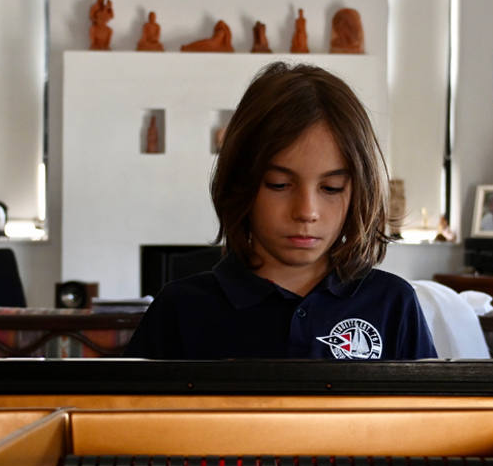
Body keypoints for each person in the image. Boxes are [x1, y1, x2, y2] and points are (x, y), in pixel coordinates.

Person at [125, 62, 436, 360]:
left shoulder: (393, 303)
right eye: (279, 184)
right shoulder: (181, 308)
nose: (307, 212)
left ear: (358, 192)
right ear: (239, 183)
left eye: (331, 188)